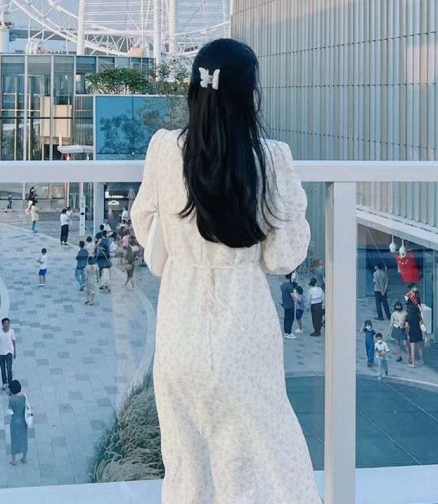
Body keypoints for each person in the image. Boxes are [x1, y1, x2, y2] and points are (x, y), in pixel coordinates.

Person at [130, 39, 321, 504]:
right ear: (248, 95)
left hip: (179, 329)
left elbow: (147, 228)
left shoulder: (164, 150)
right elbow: (282, 256)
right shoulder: (269, 159)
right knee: (267, 463)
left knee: (189, 467)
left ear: (194, 91)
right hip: (244, 333)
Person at [7, 380, 29, 465]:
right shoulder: (24, 397)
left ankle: (14, 460)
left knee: (14, 440)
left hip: (15, 422)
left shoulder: (11, 400)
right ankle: (24, 458)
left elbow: (10, 411)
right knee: (24, 438)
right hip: (23, 421)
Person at [0, 317, 16, 392]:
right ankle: (4, 382)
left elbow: (13, 342)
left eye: (8, 323)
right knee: (3, 369)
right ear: (2, 324)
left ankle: (10, 383)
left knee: (9, 369)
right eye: (5, 323)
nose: (6, 325)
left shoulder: (12, 332)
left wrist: (15, 351)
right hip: (1, 353)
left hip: (9, 352)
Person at [405, 302, 425, 367]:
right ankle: (422, 360)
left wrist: (407, 332)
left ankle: (413, 364)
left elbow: (406, 326)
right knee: (419, 347)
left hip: (412, 332)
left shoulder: (408, 316)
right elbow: (421, 323)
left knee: (412, 349)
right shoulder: (418, 315)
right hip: (418, 331)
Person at [281, 273, 296, 339]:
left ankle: (285, 332)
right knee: (290, 319)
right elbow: (292, 295)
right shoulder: (290, 286)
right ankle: (289, 332)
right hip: (290, 304)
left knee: (286, 318)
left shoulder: (282, 285)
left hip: (285, 304)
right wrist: (296, 301)